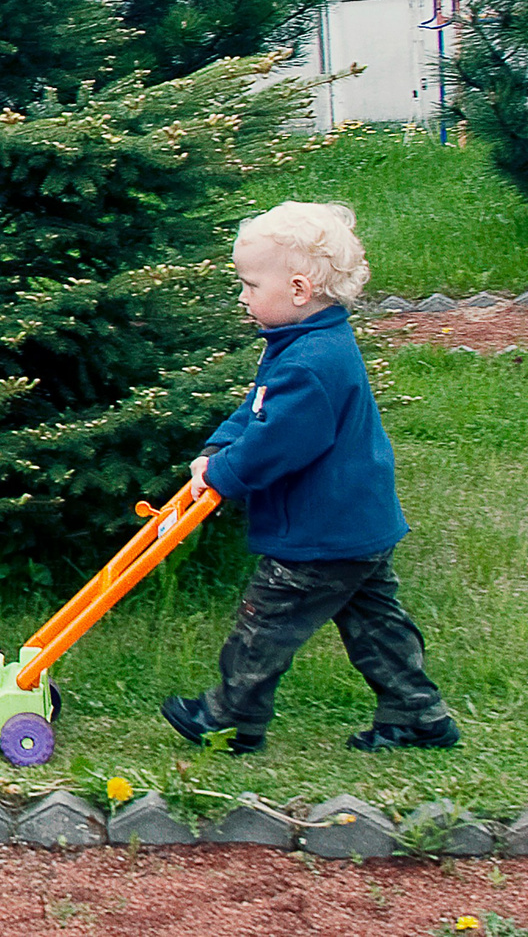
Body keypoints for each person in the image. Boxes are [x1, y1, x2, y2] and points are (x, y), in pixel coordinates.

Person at [161, 202, 455, 754]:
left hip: (321, 531)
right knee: (375, 624)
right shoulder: (306, 344)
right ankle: (417, 714)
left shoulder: (310, 362)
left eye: (250, 285)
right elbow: (258, 409)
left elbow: (278, 442)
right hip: (356, 523)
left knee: (267, 621)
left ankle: (230, 718)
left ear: (298, 289)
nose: (242, 297)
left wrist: (223, 473)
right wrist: (218, 446)